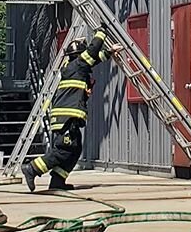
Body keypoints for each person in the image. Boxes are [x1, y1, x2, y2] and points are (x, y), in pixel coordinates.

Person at [21, 27, 122, 192]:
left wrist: (109, 52)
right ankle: (32, 169)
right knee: (64, 149)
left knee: (75, 150)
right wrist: (102, 31)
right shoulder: (78, 66)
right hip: (67, 118)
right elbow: (93, 51)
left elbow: (95, 58)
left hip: (69, 118)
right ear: (80, 55)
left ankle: (58, 181)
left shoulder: (75, 67)